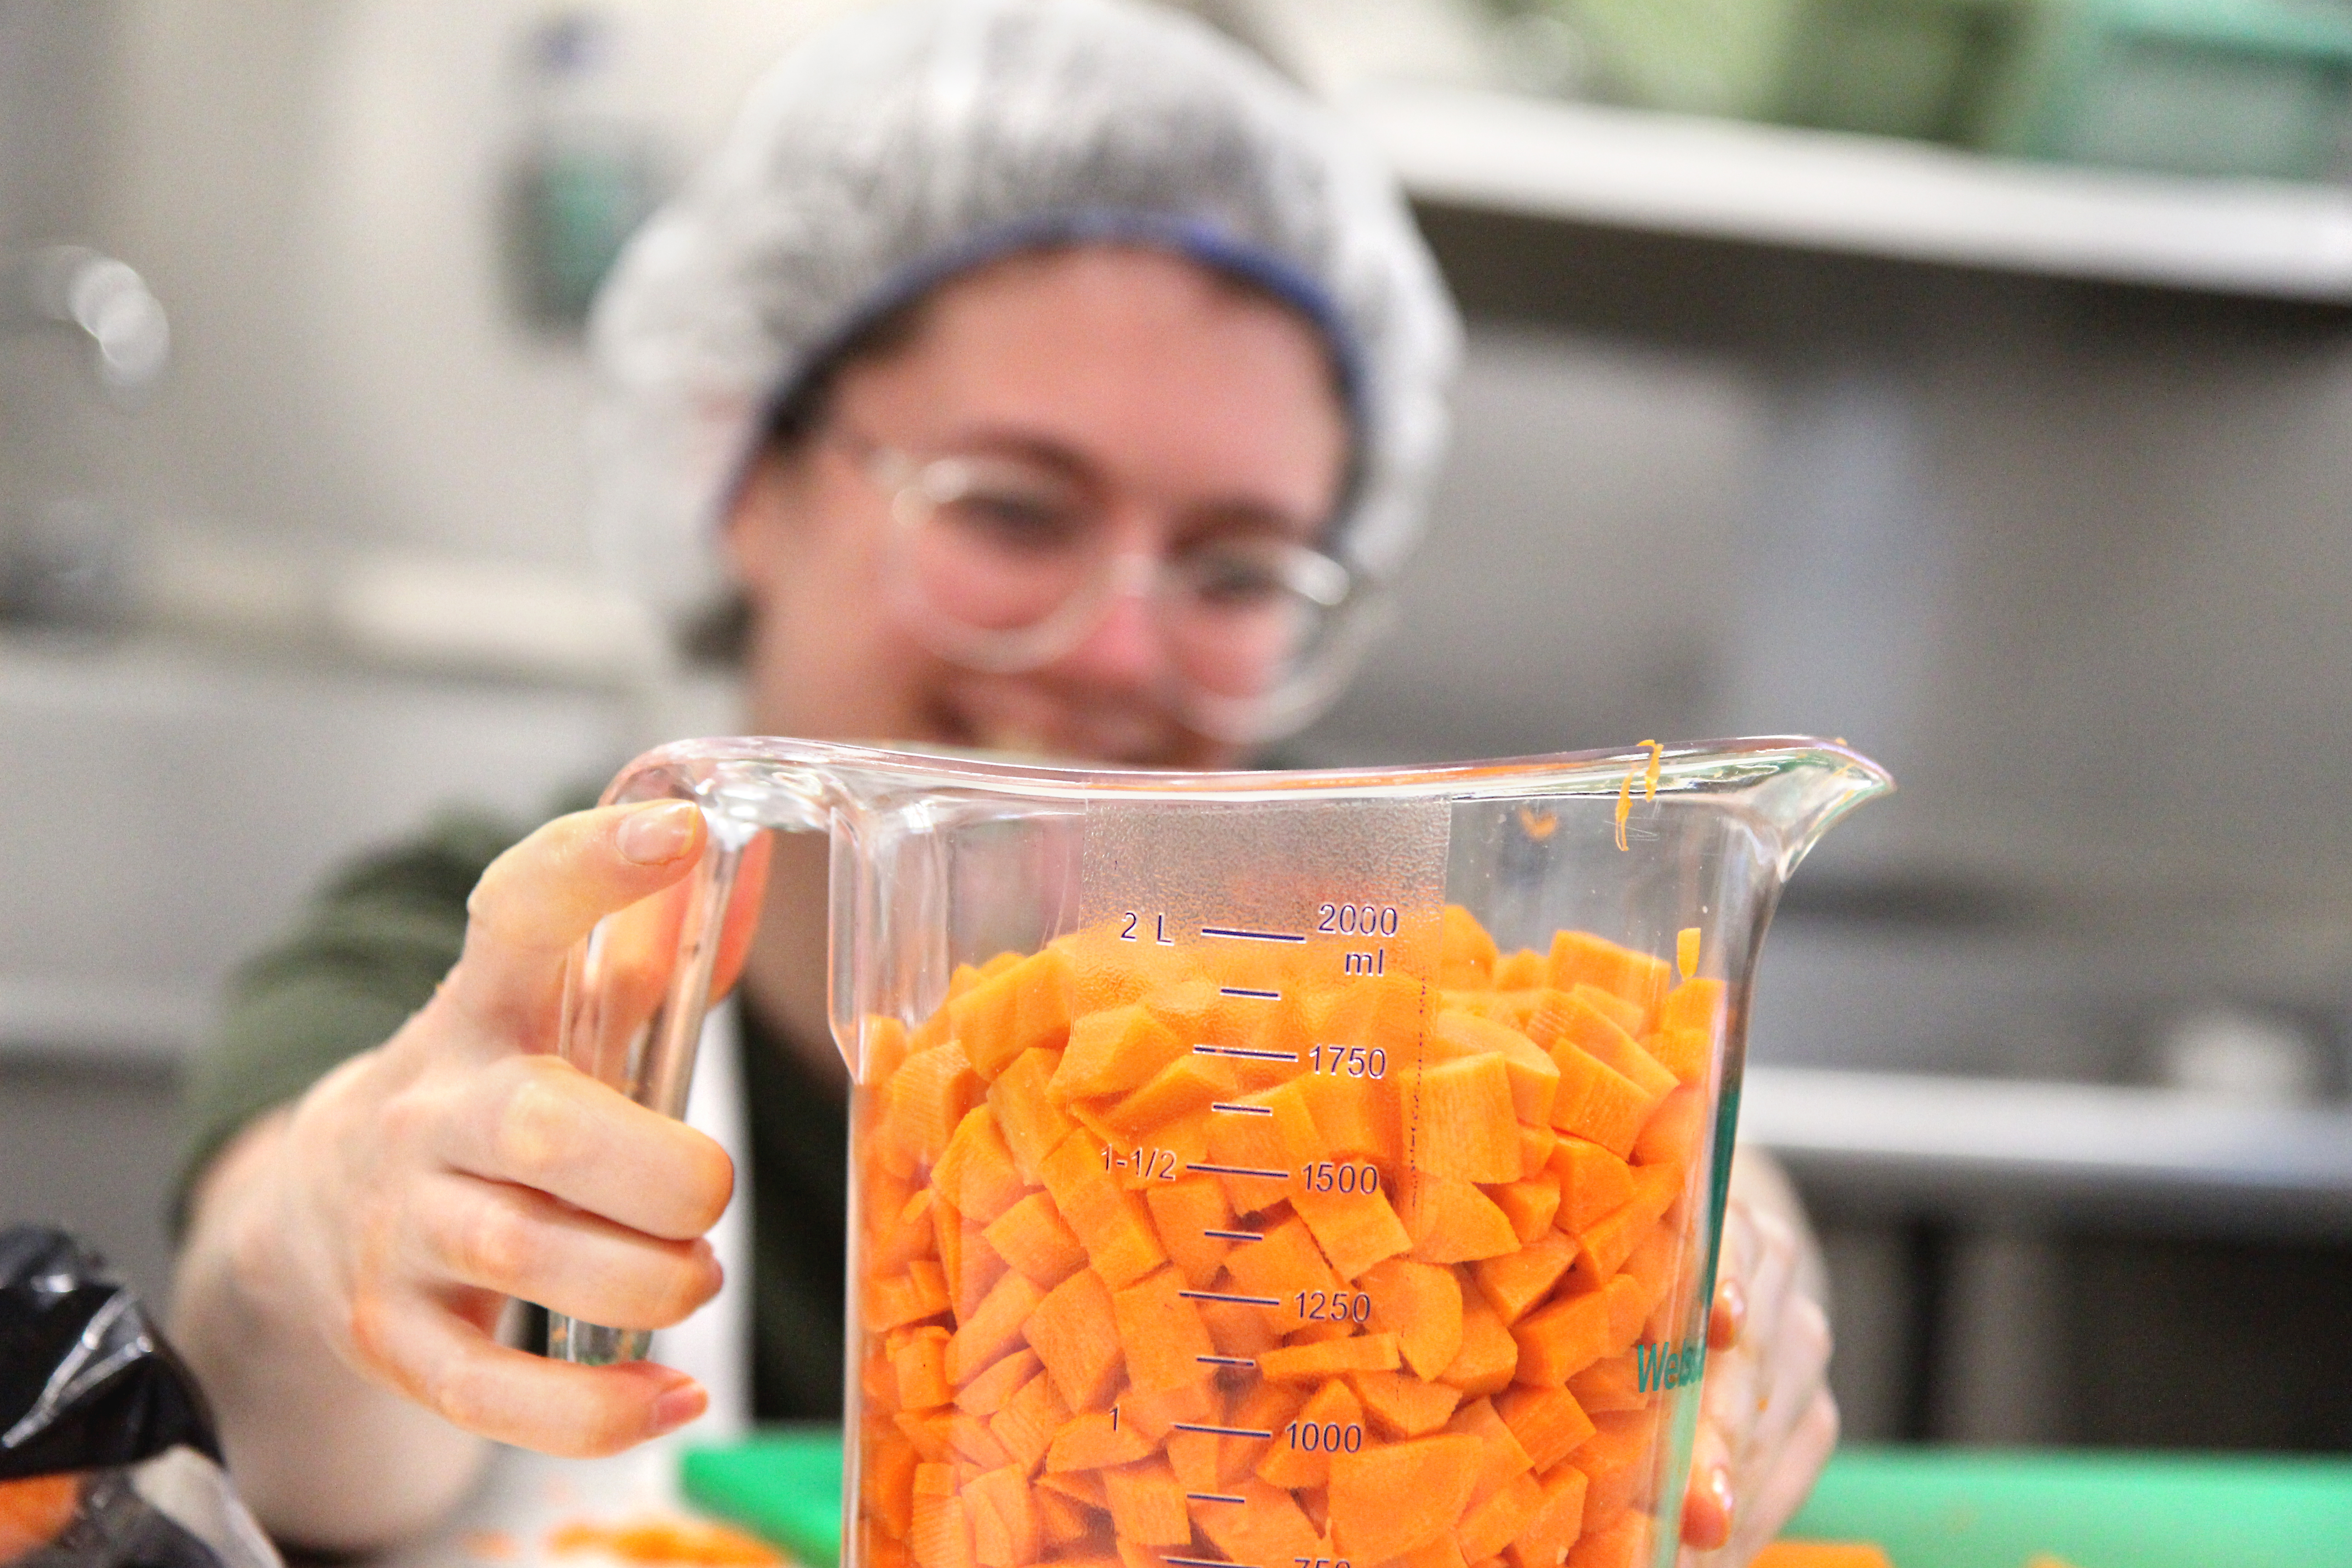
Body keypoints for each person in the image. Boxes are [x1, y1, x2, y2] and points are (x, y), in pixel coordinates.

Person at [166, 1, 1836, 1562]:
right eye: (1012, 510)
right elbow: (269, 1389)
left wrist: (1715, 1238)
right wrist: (335, 1238)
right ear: (746, 470)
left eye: (1238, 565)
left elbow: (1664, 1152)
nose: (1119, 653)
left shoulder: (1389, 946)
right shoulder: (493, 947)